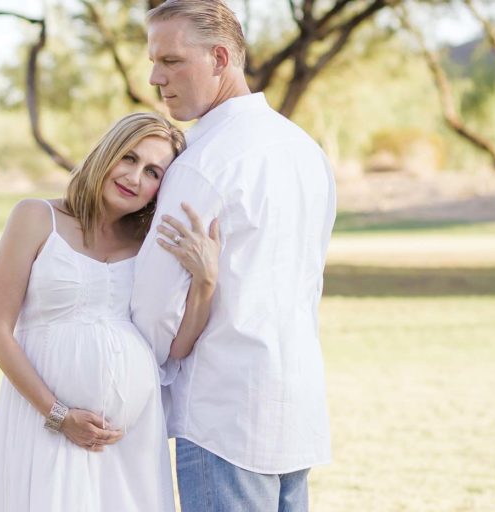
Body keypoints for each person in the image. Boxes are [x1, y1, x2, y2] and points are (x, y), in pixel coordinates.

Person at [130, 1, 337, 511]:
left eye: (172, 61)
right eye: (154, 61)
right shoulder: (305, 151)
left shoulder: (204, 164)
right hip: (296, 403)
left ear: (220, 57)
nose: (156, 77)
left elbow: (155, 307)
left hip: (223, 415)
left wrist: (138, 373)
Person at [0, 112, 220, 511]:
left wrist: (206, 282)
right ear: (106, 153)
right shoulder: (36, 217)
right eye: (129, 158)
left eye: (153, 172)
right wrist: (58, 414)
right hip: (47, 423)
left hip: (130, 437)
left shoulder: (150, 243)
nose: (135, 177)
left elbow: (176, 348)